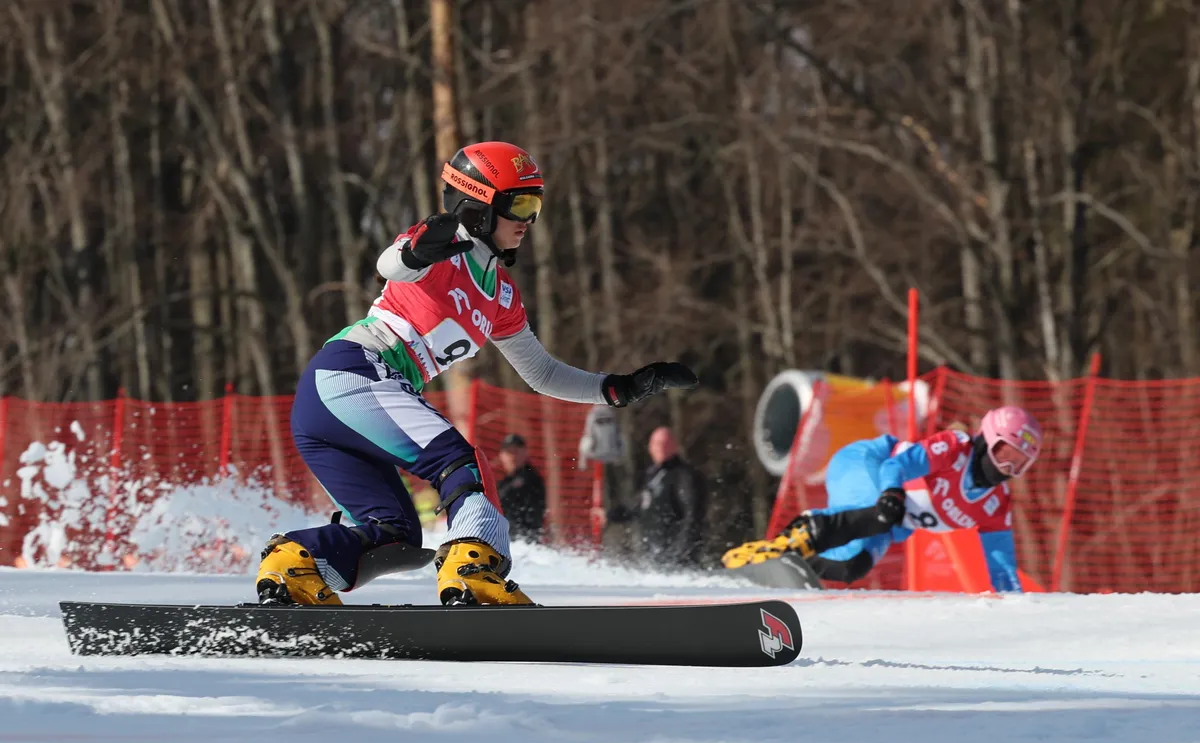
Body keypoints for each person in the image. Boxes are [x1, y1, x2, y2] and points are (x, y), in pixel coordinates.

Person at [255, 141, 698, 606]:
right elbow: (392, 265)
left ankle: (297, 564)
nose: (529, 220)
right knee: (462, 462)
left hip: (339, 402)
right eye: (520, 204)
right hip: (354, 374)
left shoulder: (501, 295)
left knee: (396, 538)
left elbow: (542, 373)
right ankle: (473, 567)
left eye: (537, 205)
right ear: (481, 207)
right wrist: (421, 248)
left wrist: (621, 389)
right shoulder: (443, 250)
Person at [723, 406, 1043, 592]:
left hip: (890, 520)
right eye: (1005, 453)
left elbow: (1002, 568)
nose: (1007, 468)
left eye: (1019, 463)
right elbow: (896, 465)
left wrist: (1015, 609)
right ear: (987, 439)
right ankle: (779, 546)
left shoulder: (995, 503)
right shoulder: (955, 448)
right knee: (879, 513)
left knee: (851, 567)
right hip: (866, 461)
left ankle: (778, 568)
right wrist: (890, 492)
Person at [607, 427, 706, 568]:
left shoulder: (684, 476)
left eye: (665, 443)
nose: (660, 448)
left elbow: (693, 514)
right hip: (652, 552)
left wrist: (682, 549)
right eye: (656, 444)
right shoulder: (653, 475)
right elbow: (637, 505)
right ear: (650, 447)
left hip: (676, 555)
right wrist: (610, 515)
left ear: (674, 446)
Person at [496, 433, 547, 544]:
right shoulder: (505, 482)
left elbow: (501, 498)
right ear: (501, 455)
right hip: (509, 539)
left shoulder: (530, 477)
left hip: (525, 541)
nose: (512, 456)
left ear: (525, 453)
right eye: (509, 452)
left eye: (516, 451)